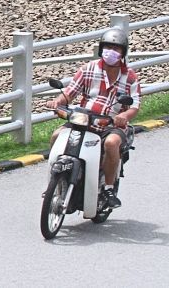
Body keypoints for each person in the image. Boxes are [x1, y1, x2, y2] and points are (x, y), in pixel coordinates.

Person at [44, 27, 140, 208]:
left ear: (123, 52)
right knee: (57, 135)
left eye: (116, 48)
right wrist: (57, 102)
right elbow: (69, 93)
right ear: (101, 48)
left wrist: (124, 116)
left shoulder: (130, 77)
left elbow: (134, 105)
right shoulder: (88, 69)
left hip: (110, 123)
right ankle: (52, 183)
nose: (111, 51)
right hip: (84, 119)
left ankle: (108, 189)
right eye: (108, 47)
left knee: (111, 143)